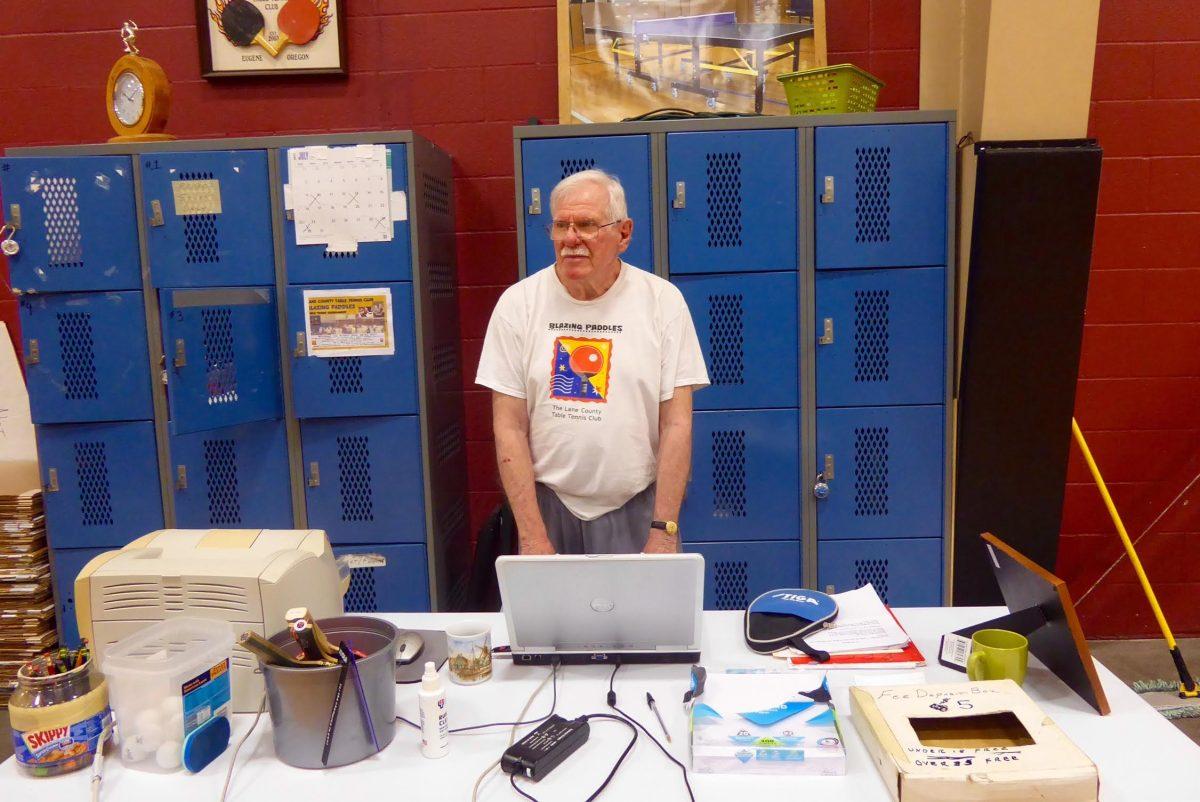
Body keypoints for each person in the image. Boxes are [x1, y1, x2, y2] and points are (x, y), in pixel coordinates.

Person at [476, 169, 709, 555]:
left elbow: (677, 423)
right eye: (561, 225)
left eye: (586, 225)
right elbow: (509, 427)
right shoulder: (518, 305)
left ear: (624, 233)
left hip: (638, 507)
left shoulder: (662, 302)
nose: (571, 239)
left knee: (644, 617)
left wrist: (664, 531)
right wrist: (531, 535)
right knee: (547, 618)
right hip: (547, 506)